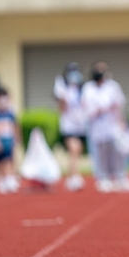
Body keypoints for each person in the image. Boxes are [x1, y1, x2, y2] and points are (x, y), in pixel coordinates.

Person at [82, 61, 129, 193]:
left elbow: (119, 105)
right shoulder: (88, 88)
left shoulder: (113, 86)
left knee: (118, 152)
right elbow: (86, 107)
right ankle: (103, 178)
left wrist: (122, 122)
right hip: (97, 127)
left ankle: (121, 177)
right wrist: (99, 110)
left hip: (113, 126)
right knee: (101, 153)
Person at [54, 62, 87, 192]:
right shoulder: (63, 88)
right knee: (74, 149)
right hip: (68, 126)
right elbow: (61, 108)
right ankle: (73, 177)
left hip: (80, 125)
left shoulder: (81, 89)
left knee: (77, 151)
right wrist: (62, 97)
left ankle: (73, 176)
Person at [0, 87, 20, 194]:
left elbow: (15, 126)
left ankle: (10, 178)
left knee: (9, 159)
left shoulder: (11, 113)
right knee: (0, 161)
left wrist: (16, 138)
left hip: (8, 139)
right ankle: (2, 179)